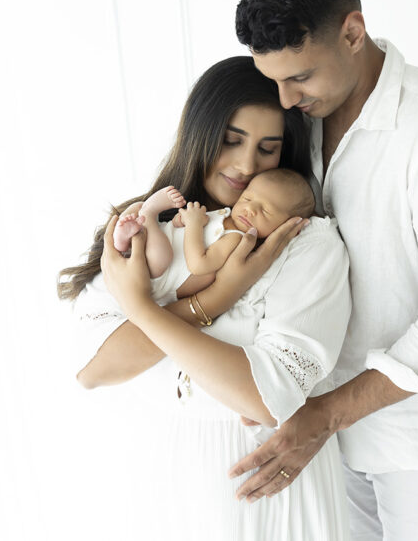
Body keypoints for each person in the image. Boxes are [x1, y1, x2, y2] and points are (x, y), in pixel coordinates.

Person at [227, 0, 418, 540]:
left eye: (299, 76)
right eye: (273, 80)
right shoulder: (297, 126)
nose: (284, 99)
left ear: (353, 31)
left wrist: (324, 416)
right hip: (326, 439)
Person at [59, 56, 353, 540]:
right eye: (231, 140)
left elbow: (264, 397)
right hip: (168, 478)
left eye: (267, 149)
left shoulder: (303, 242)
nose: (244, 166)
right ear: (200, 133)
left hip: (261, 486)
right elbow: (93, 369)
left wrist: (140, 310)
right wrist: (213, 300)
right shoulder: (153, 228)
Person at [112, 169, 317, 307]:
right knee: (140, 218)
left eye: (265, 211)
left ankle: (149, 214)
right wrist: (180, 221)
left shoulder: (237, 239)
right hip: (154, 247)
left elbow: (198, 265)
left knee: (159, 254)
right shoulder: (225, 215)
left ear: (284, 226)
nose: (249, 209)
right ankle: (125, 240)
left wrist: (193, 224)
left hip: (161, 276)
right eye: (247, 198)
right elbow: (180, 229)